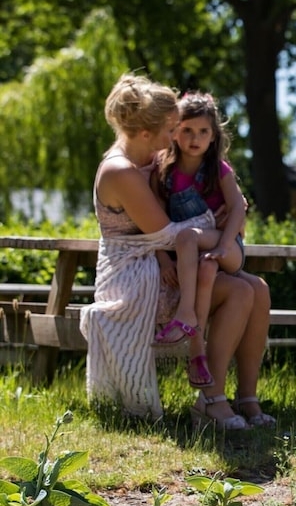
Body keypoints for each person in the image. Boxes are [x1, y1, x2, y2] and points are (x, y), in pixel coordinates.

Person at [80, 73, 274, 430]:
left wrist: (225, 219)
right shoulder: (120, 171)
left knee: (258, 289)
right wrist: (219, 223)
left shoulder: (148, 160)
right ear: (145, 133)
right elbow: (168, 235)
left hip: (165, 263)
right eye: (171, 129)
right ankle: (211, 399)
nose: (175, 137)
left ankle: (247, 397)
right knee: (240, 291)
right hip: (134, 277)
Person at [151, 92, 249, 392]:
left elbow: (238, 207)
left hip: (227, 246)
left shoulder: (218, 169)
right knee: (205, 270)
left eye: (203, 131)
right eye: (187, 130)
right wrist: (163, 260)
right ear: (174, 131)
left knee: (187, 236)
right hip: (194, 254)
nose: (195, 139)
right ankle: (197, 353)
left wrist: (224, 244)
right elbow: (153, 224)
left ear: (213, 135)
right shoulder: (164, 170)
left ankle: (185, 313)